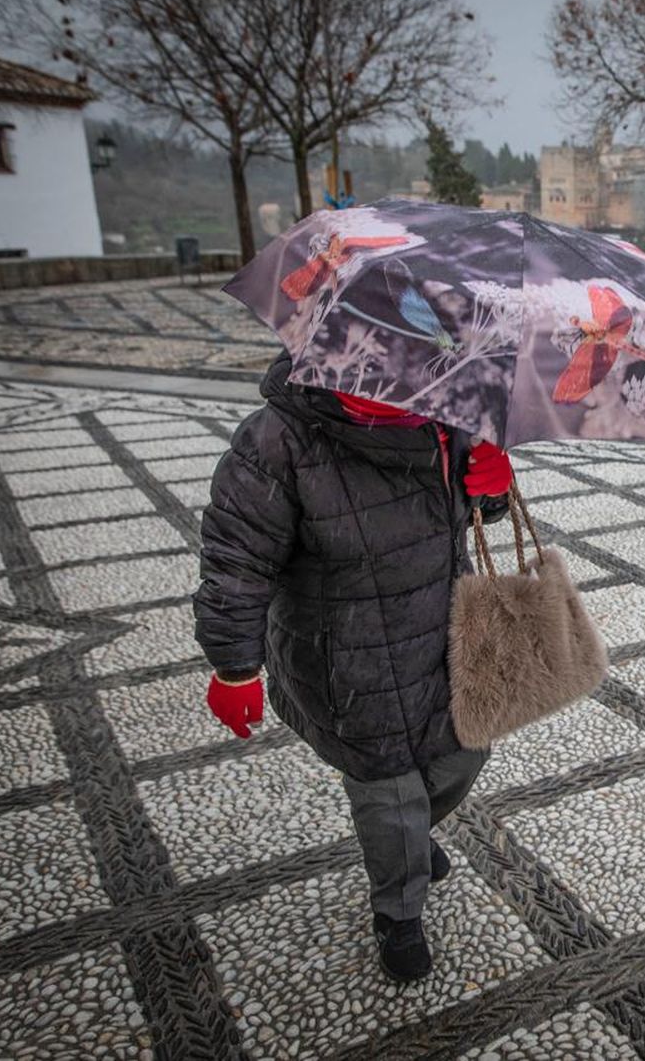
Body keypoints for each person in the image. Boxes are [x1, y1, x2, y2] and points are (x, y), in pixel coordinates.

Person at [193, 355, 514, 983]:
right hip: (346, 653)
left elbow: (474, 513)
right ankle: (398, 914)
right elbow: (235, 561)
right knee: (390, 793)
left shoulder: (448, 416)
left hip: (443, 631)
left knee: (464, 753)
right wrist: (234, 666)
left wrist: (492, 485)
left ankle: (413, 841)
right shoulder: (276, 440)